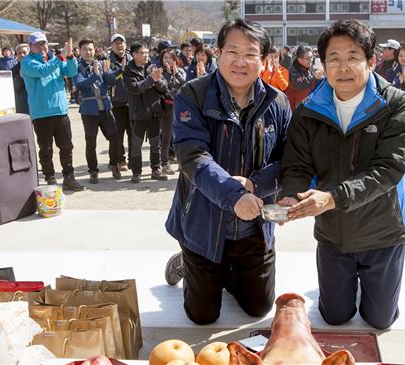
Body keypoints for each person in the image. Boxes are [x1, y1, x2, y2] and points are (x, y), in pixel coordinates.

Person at [279, 19, 405, 330]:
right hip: (333, 234)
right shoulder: (308, 110)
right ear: (323, 64)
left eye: (353, 57)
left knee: (380, 321)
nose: (343, 67)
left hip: (383, 232)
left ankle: (378, 291)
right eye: (334, 59)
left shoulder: (396, 105)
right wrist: (292, 194)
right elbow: (298, 164)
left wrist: (332, 197)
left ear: (371, 61)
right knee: (335, 317)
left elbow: (388, 170)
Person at [164, 19, 291, 325]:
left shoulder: (278, 102)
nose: (240, 61)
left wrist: (255, 185)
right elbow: (193, 156)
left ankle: (226, 272)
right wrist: (234, 195)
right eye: (232, 51)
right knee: (202, 316)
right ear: (217, 53)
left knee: (259, 308)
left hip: (254, 229)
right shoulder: (192, 95)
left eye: (250, 54)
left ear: (265, 59)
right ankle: (189, 262)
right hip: (204, 226)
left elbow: (290, 159)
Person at [21, 32, 83, 191]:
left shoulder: (54, 59)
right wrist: (60, 58)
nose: (42, 47)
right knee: (46, 149)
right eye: (37, 44)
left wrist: (69, 57)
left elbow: (71, 72)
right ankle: (50, 178)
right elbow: (42, 71)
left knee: (67, 147)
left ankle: (69, 177)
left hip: (61, 111)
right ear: (30, 46)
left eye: (44, 43)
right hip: (41, 113)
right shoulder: (27, 62)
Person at [73, 39, 122, 184]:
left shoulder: (101, 63)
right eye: (85, 49)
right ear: (80, 51)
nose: (88, 52)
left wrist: (106, 73)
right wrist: (94, 74)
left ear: (95, 50)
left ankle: (114, 164)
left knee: (114, 137)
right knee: (91, 141)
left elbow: (112, 81)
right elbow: (81, 84)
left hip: (105, 107)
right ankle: (93, 170)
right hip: (89, 110)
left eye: (91, 49)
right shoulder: (77, 67)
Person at [123, 42, 169, 183]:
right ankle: (136, 172)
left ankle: (156, 169)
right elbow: (135, 88)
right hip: (138, 113)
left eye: (147, 52)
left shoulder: (152, 67)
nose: (146, 55)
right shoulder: (128, 71)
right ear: (134, 54)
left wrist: (157, 81)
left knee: (156, 144)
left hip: (154, 112)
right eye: (142, 53)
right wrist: (151, 79)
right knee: (136, 144)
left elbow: (164, 87)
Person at [158, 47, 186, 175]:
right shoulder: (160, 72)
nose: (167, 60)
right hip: (167, 108)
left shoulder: (180, 71)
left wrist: (175, 73)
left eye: (170, 57)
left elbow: (183, 85)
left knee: (180, 136)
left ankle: (182, 163)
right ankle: (165, 164)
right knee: (166, 137)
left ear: (175, 59)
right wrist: (169, 75)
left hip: (180, 107)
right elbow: (164, 87)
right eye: (165, 58)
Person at [109, 33, 133, 172]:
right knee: (118, 134)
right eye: (116, 43)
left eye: (121, 42)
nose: (119, 45)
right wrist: (120, 70)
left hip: (132, 101)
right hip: (116, 102)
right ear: (111, 45)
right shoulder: (107, 60)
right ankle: (120, 160)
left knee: (133, 134)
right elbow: (109, 79)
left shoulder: (132, 58)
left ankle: (132, 159)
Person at [285, 45, 322, 111]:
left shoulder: (311, 69)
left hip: (310, 107)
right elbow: (300, 85)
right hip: (296, 110)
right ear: (299, 59)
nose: (310, 60)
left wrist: (320, 78)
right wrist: (314, 77)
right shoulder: (292, 71)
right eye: (307, 58)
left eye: (311, 57)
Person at [12, 44, 30, 114]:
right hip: (23, 103)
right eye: (19, 53)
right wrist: (20, 77)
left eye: (24, 52)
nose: (22, 55)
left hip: (37, 102)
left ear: (29, 53)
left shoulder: (36, 66)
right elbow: (14, 87)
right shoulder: (15, 69)